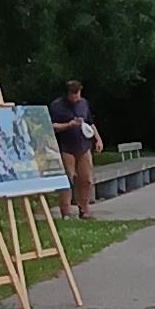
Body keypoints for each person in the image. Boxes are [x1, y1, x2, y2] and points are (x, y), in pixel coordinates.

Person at [50, 78, 103, 219]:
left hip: (84, 146)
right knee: (68, 178)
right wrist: (69, 125)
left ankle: (84, 208)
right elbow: (52, 126)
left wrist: (97, 138)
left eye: (77, 94)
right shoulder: (57, 106)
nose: (75, 98)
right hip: (66, 147)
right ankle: (66, 210)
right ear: (67, 94)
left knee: (86, 179)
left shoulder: (84, 104)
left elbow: (90, 122)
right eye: (72, 94)